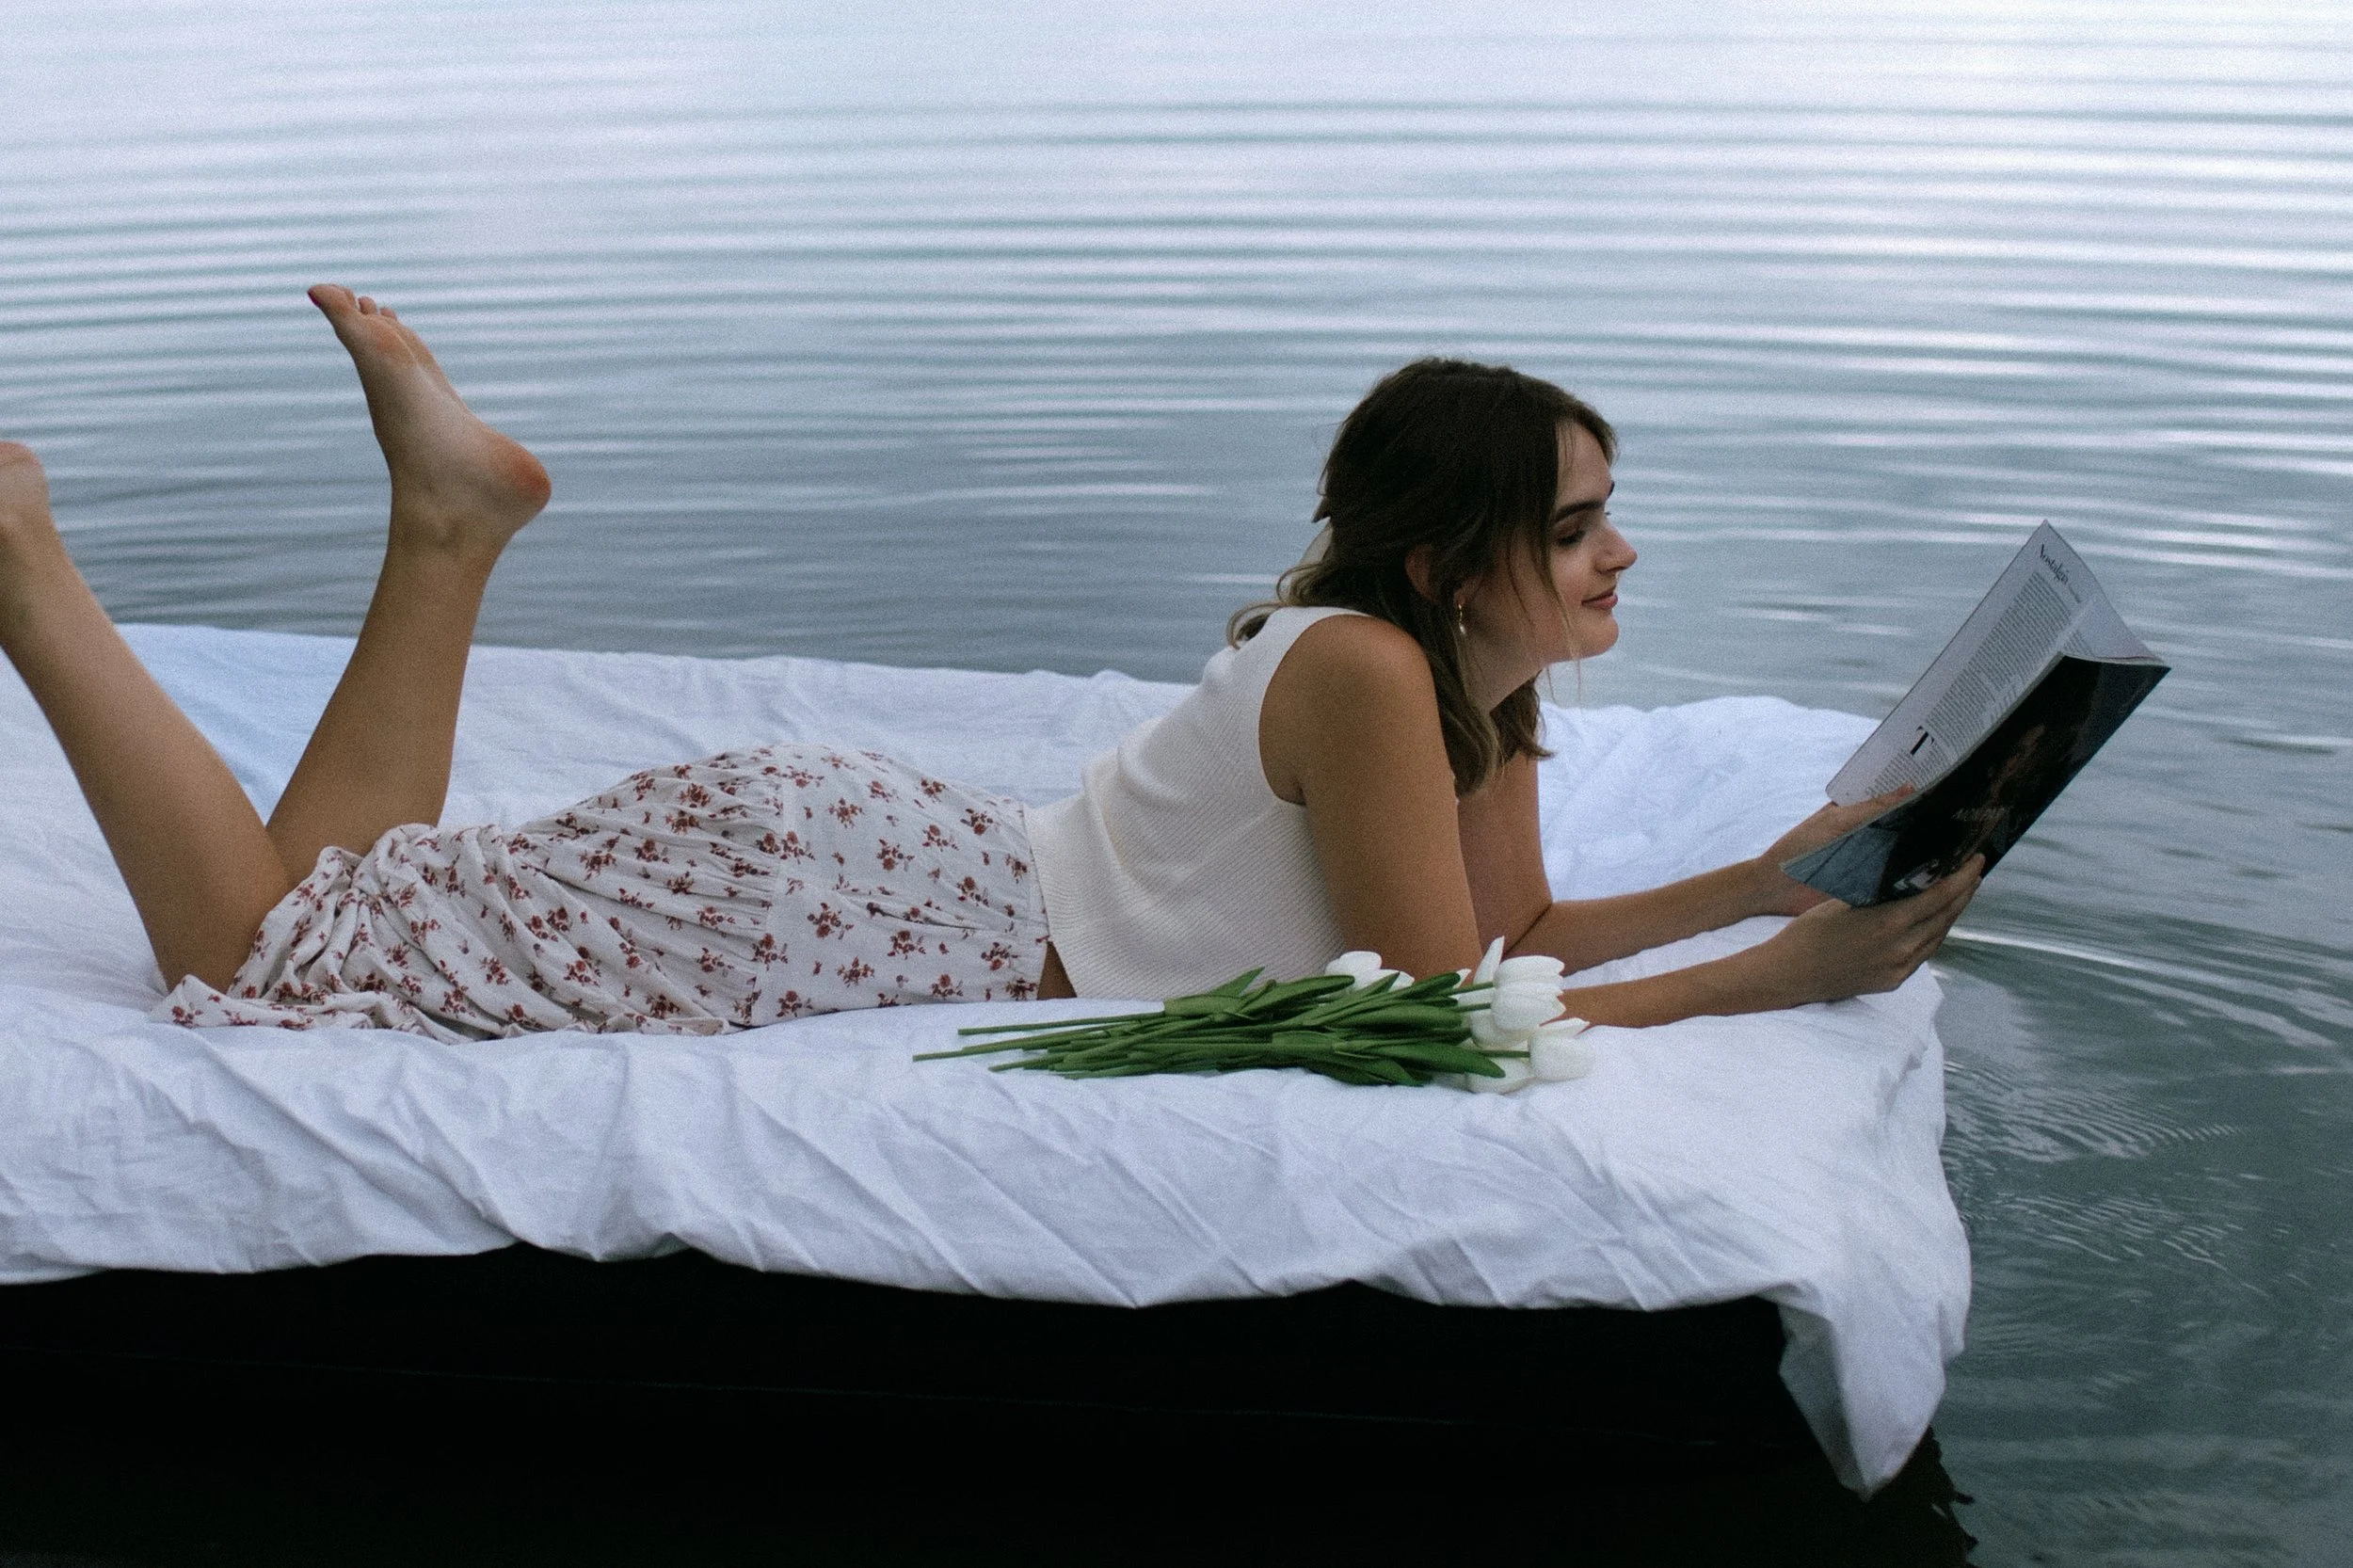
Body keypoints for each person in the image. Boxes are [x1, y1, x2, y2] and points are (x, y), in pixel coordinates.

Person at [0, 286, 1979, 1044]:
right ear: (1461, 559)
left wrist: (1781, 864)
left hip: (860, 867)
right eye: (1574, 525)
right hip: (817, 902)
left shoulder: (1460, 681)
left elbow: (1516, 918)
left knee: (341, 910)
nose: (1618, 548)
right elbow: (1440, 1020)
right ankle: (24, 569)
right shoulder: (1374, 673)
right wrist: (1770, 979)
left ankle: (445, 529)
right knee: (252, 964)